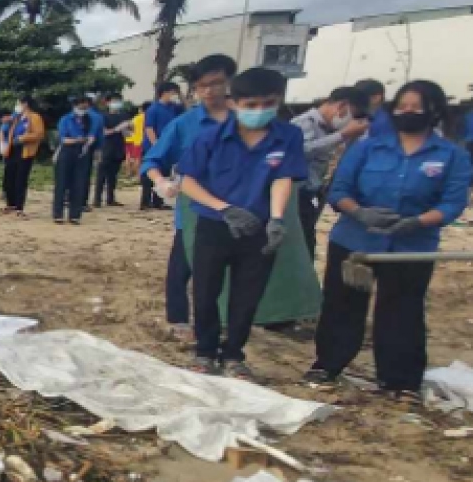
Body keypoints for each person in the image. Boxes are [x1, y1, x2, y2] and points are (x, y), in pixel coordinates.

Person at [309, 80, 470, 395]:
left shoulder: (451, 155)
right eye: (402, 106)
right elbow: (339, 189)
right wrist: (359, 212)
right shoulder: (368, 147)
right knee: (342, 306)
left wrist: (418, 222)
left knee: (402, 311)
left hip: (410, 247)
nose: (407, 112)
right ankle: (328, 365)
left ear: (434, 111)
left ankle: (399, 381)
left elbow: (453, 203)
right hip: (355, 242)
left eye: (416, 107)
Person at [176, 67, 306, 380]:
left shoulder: (288, 136)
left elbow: (282, 178)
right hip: (215, 224)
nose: (259, 111)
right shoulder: (210, 138)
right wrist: (225, 208)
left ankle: (234, 354)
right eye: (250, 106)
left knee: (247, 295)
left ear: (278, 101)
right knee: (206, 291)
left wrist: (276, 218)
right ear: (234, 103)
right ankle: (205, 351)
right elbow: (187, 182)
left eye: (268, 103)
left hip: (259, 229)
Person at [141, 53, 238, 337]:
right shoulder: (185, 125)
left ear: (229, 82)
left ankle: (224, 320)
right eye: (201, 86)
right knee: (183, 266)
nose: (208, 91)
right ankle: (180, 319)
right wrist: (161, 182)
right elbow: (152, 160)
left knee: (227, 272)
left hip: (237, 209)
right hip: (195, 212)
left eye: (216, 83)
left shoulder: (247, 123)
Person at [291, 86, 369, 257]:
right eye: (352, 115)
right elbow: (298, 151)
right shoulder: (304, 123)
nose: (351, 121)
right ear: (342, 107)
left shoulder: (326, 129)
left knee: (307, 249)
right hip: (294, 196)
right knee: (301, 251)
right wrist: (342, 135)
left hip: (309, 196)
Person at [52, 95, 96, 225]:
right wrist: (78, 140)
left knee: (79, 184)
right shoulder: (65, 119)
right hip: (66, 151)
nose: (84, 108)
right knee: (62, 183)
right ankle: (58, 213)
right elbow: (63, 139)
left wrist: (89, 141)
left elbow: (92, 135)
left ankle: (75, 215)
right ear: (75, 106)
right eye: (81, 106)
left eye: (86, 106)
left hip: (82, 152)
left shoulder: (89, 120)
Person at [1, 95, 44, 217]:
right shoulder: (16, 117)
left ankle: (19, 207)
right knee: (9, 177)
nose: (17, 105)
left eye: (19, 103)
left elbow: (39, 134)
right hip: (12, 150)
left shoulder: (35, 117)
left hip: (25, 151)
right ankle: (11, 204)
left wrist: (23, 138)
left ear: (25, 104)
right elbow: (7, 129)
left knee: (20, 179)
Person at [142, 83, 183, 209]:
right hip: (155, 146)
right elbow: (149, 128)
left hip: (169, 146)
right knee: (151, 172)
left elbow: (187, 109)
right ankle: (145, 201)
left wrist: (181, 97)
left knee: (164, 173)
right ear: (164, 92)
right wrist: (156, 145)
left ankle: (158, 201)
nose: (174, 95)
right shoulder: (153, 109)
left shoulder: (174, 108)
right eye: (172, 92)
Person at [93, 94, 133, 208]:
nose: (117, 103)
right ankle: (97, 199)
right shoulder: (103, 116)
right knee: (101, 175)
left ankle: (111, 199)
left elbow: (129, 133)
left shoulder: (124, 115)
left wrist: (128, 128)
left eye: (118, 101)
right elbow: (104, 132)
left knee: (113, 175)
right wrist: (117, 128)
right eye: (114, 101)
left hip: (119, 147)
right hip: (106, 147)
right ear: (107, 103)